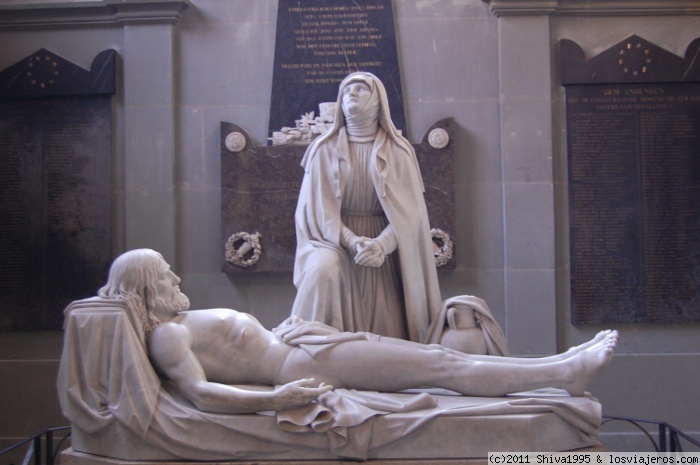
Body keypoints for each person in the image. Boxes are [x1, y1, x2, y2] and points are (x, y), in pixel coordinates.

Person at [99, 249, 618, 415]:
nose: (176, 278)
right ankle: (565, 371)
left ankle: (559, 368)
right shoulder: (168, 336)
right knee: (441, 365)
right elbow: (200, 393)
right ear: (147, 286)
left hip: (305, 342)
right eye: (165, 274)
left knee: (437, 361)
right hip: (301, 365)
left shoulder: (178, 323)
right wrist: (276, 398)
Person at [291, 71, 443, 342]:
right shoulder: (323, 149)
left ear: (377, 100)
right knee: (322, 268)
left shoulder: (398, 151)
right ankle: (315, 353)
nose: (351, 93)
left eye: (361, 89)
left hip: (383, 247)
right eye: (347, 90)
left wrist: (381, 246)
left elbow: (411, 215)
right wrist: (353, 242)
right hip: (335, 241)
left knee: (387, 335)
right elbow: (318, 214)